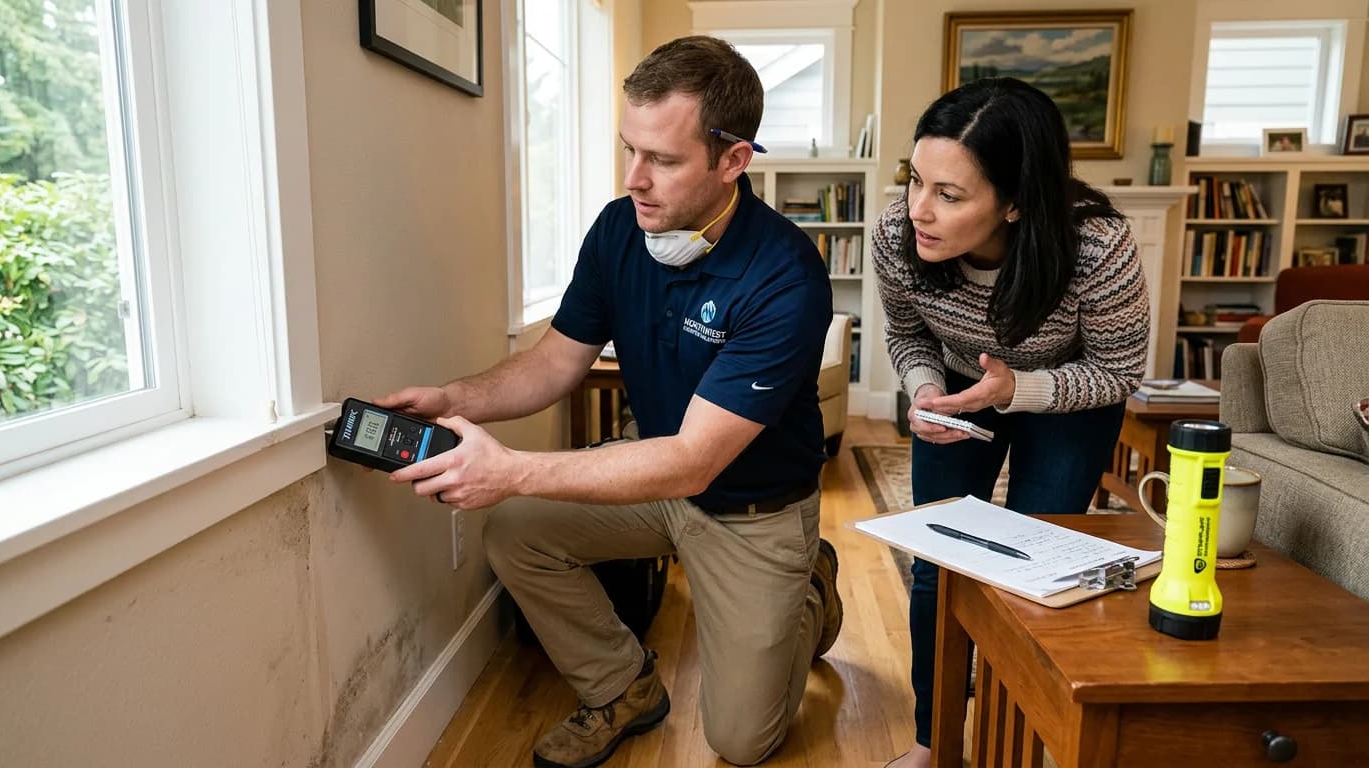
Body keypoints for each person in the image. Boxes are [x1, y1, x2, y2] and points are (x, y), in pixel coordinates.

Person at [378, 36, 842, 768]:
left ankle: (808, 586)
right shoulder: (619, 228)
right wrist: (451, 396)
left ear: (733, 160)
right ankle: (623, 687)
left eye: (662, 159)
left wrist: (513, 468)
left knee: (742, 742)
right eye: (630, 149)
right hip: (656, 481)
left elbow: (694, 462)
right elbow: (554, 364)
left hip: (752, 513)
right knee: (515, 533)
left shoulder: (786, 276)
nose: (635, 179)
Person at [871, 77, 1148, 768]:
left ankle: (1014, 742)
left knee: (1034, 572)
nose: (919, 212)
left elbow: (1118, 373)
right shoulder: (894, 236)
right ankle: (935, 744)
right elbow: (908, 338)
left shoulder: (1097, 248)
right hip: (963, 386)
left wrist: (1015, 389)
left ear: (1017, 201)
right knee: (939, 569)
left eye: (950, 195)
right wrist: (926, 389)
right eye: (915, 181)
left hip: (1071, 394)